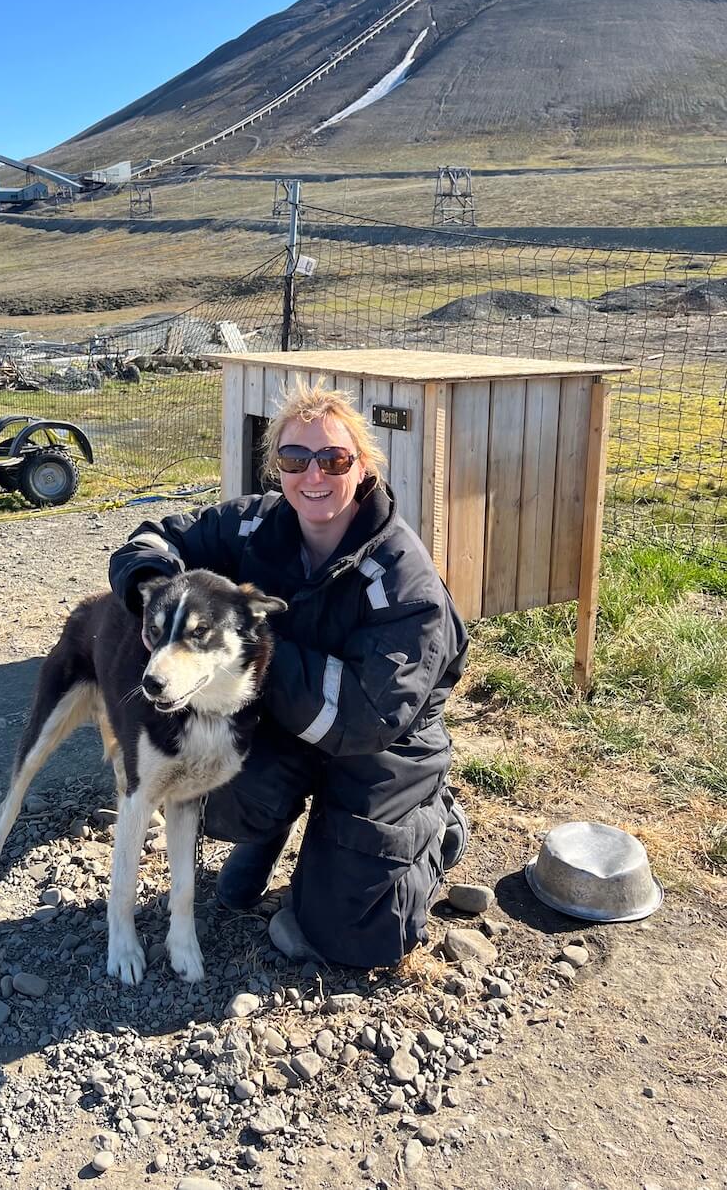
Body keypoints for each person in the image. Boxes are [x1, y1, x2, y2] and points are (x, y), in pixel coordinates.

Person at [108, 376, 470, 968]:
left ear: (363, 468)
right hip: (281, 710)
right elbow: (158, 538)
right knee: (217, 785)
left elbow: (364, 716)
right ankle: (275, 825)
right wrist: (156, 591)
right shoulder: (255, 524)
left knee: (356, 941)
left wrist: (252, 651)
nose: (314, 475)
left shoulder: (403, 579)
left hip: (384, 741)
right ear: (276, 467)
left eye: (333, 458)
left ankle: (435, 821)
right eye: (294, 458)